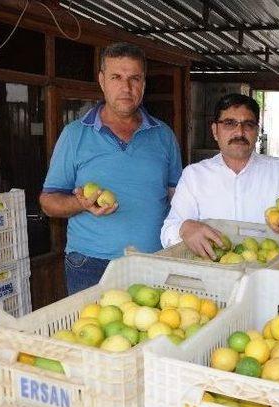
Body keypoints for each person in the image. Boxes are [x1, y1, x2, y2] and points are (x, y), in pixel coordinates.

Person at [40, 42, 182, 294]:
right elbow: (48, 202)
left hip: (153, 261)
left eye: (134, 78)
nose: (126, 88)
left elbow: (179, 200)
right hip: (91, 264)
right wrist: (80, 204)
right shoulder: (75, 135)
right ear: (102, 81)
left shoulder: (164, 136)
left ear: (143, 84)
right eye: (116, 77)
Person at [160, 94, 279, 259]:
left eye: (248, 124)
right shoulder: (194, 175)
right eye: (229, 123)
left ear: (257, 131)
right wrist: (184, 228)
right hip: (212, 275)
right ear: (215, 131)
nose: (239, 132)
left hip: (268, 272)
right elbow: (167, 233)